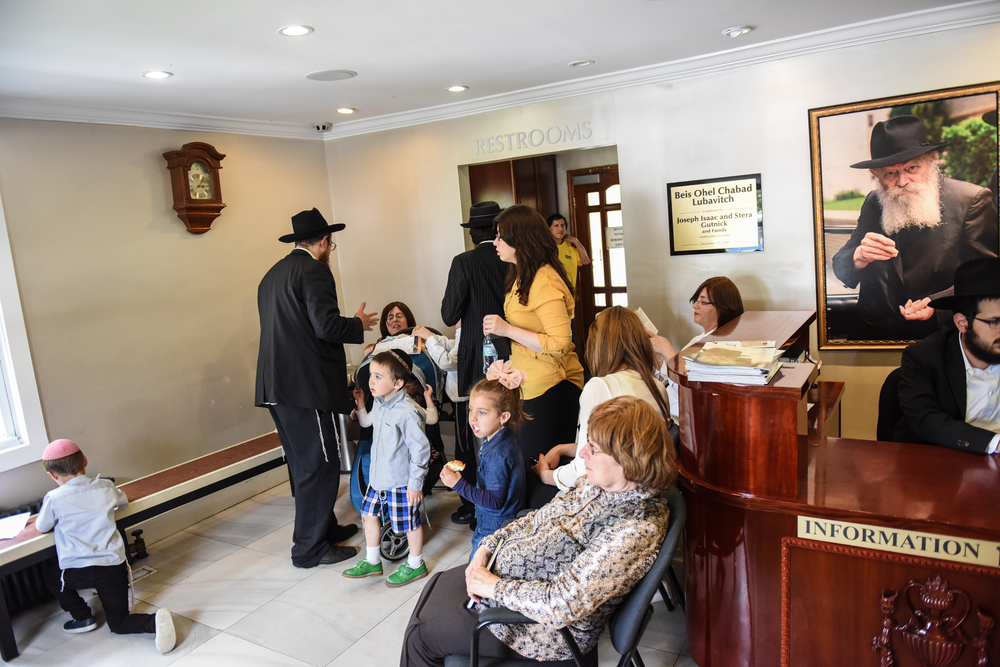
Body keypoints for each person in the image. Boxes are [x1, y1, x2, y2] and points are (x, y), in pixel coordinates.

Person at [399, 396, 678, 667]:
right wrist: (487, 546)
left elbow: (562, 603)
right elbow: (536, 519)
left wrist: (493, 586)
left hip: (540, 632)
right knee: (433, 592)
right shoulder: (596, 485)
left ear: (627, 459)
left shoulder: (634, 530)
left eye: (593, 448)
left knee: (420, 635)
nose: (582, 453)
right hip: (508, 593)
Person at [255, 207, 377, 568]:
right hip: (304, 387)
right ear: (324, 241)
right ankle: (308, 549)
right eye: (331, 243)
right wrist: (355, 324)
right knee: (321, 466)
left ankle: (324, 529)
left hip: (277, 385)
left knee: (304, 464)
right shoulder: (314, 271)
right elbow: (324, 327)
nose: (330, 249)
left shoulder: (272, 275)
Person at [831, 115, 999, 341]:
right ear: (876, 174)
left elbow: (986, 277)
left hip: (939, 340)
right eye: (890, 173)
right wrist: (858, 256)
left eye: (912, 168)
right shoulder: (873, 202)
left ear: (931, 160)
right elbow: (841, 266)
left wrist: (938, 305)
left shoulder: (971, 200)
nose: (902, 181)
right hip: (873, 336)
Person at [36, 439, 176, 654]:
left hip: (76, 572)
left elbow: (42, 525)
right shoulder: (105, 486)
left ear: (52, 475)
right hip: (111, 568)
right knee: (119, 623)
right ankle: (155, 622)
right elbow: (123, 502)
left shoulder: (54, 498)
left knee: (52, 576)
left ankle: (82, 617)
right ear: (85, 461)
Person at [534, 307, 670, 505]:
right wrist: (562, 449)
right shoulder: (658, 387)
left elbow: (582, 471)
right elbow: (620, 445)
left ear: (599, 345)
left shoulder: (600, 387)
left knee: (532, 489)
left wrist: (547, 475)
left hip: (606, 495)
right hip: (644, 492)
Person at [483, 205, 585, 463]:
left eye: (500, 236)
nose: (495, 242)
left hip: (553, 387)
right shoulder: (521, 275)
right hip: (529, 382)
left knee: (541, 466)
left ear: (521, 239)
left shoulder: (544, 280)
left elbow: (560, 343)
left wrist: (507, 329)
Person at [440, 201, 512, 526]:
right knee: (507, 422)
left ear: (472, 235)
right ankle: (506, 497)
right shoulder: (511, 259)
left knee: (474, 427)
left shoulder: (464, 262)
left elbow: (448, 314)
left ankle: (473, 504)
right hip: (512, 351)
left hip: (476, 356)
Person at [894, 257, 1000, 454]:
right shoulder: (924, 357)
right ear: (962, 323)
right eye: (994, 322)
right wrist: (995, 443)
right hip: (946, 465)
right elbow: (926, 421)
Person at [345, 351, 432, 586]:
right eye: (371, 375)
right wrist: (361, 403)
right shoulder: (381, 405)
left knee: (409, 523)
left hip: (400, 481)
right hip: (378, 478)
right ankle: (372, 560)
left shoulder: (408, 412)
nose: (371, 382)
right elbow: (367, 423)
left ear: (398, 382)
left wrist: (415, 485)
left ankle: (416, 564)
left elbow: (421, 451)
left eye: (378, 377)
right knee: (368, 515)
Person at [439, 372, 526, 554]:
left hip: (493, 527)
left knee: (475, 573)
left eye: (482, 412)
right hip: (500, 522)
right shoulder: (503, 437)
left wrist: (458, 484)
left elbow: (494, 501)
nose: (473, 418)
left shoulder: (497, 455)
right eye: (471, 409)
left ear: (504, 417)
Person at [649, 276, 744, 421]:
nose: (695, 306)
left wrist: (668, 351)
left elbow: (695, 389)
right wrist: (658, 355)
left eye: (703, 302)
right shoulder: (699, 338)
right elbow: (670, 378)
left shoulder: (723, 346)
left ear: (723, 308)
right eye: (696, 301)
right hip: (668, 407)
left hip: (684, 419)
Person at [546, 213, 590, 289]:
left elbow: (585, 261)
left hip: (570, 293)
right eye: (556, 226)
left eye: (562, 225)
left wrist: (576, 241)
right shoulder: (545, 248)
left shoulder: (568, 247)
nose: (560, 229)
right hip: (552, 293)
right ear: (549, 228)